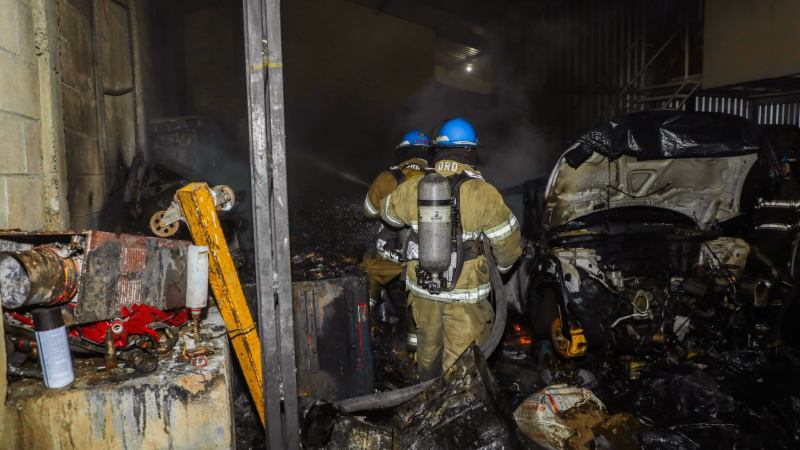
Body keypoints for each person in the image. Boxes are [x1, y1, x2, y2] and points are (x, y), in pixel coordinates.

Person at [380, 117, 522, 380]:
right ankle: (456, 413)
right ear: (470, 150)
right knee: (463, 367)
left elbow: (387, 214)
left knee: (428, 356)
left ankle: (425, 400)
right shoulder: (484, 192)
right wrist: (501, 269)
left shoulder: (414, 186)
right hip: (466, 297)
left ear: (438, 150)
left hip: (422, 291)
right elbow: (509, 244)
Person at [362, 130, 431, 314]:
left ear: (402, 151)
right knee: (420, 307)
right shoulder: (439, 179)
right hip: (426, 260)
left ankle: (366, 321)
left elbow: (368, 212)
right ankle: (413, 335)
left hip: (390, 258)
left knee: (370, 272)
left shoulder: (388, 177)